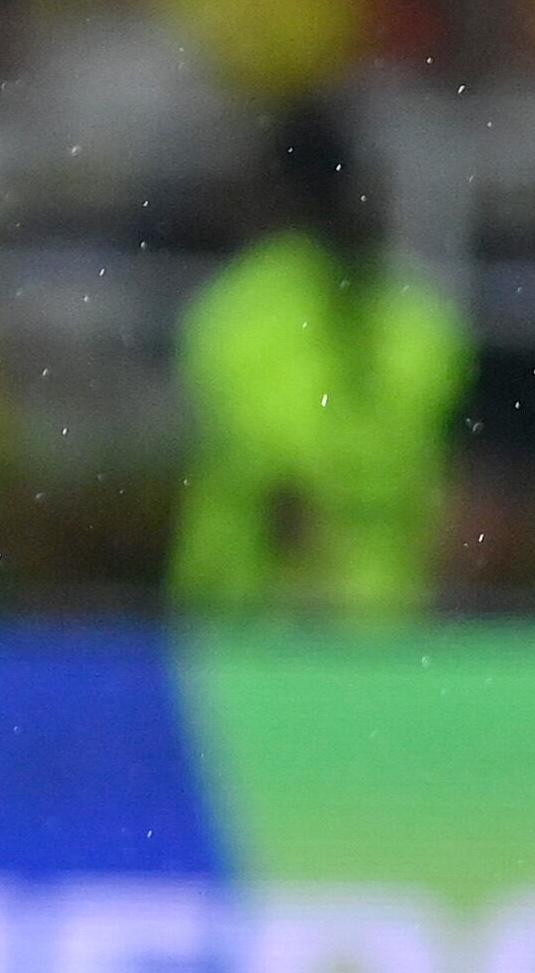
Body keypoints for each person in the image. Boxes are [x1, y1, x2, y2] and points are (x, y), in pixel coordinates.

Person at [169, 98, 471, 623]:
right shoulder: (423, 318)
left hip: (248, 620)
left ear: (271, 189)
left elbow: (274, 478)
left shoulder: (238, 307)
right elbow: (441, 484)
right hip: (384, 620)